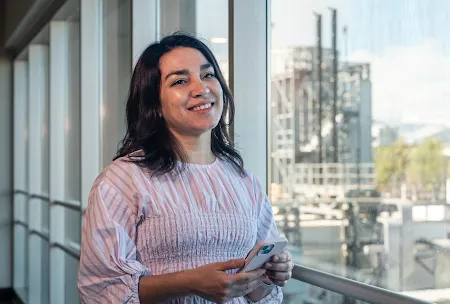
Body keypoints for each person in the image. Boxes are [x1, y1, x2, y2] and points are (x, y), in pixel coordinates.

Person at [77, 33, 293, 303]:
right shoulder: (123, 179)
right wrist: (190, 283)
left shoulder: (244, 181)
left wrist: (269, 275)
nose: (201, 88)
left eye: (208, 75)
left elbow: (256, 293)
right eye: (180, 80)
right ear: (154, 104)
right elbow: (101, 288)